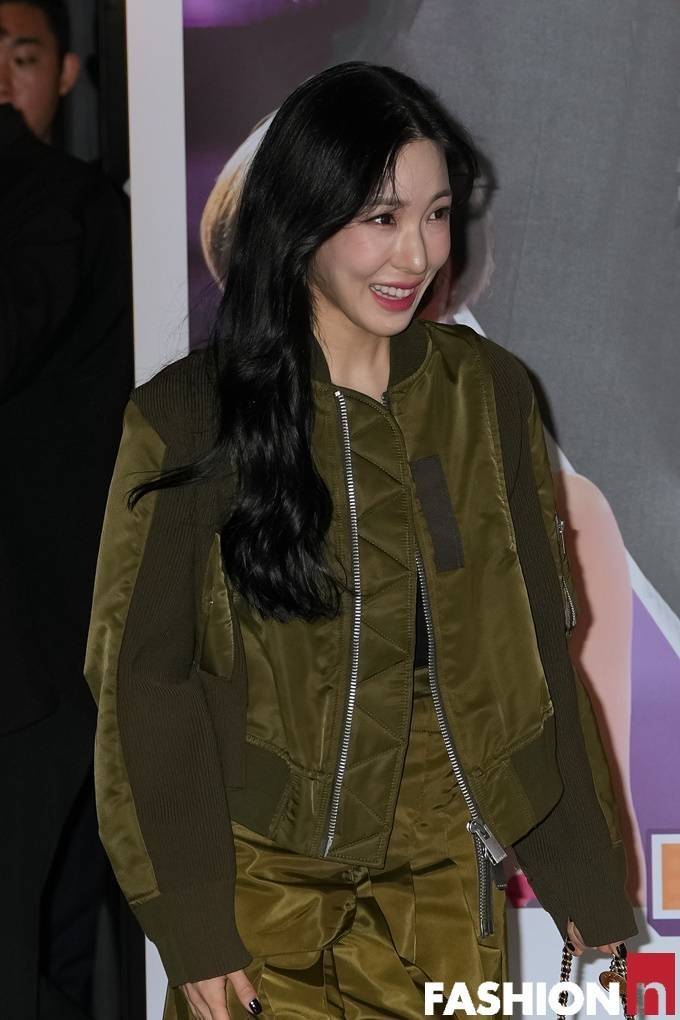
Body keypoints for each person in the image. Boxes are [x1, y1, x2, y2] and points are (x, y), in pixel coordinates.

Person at [85, 63, 637, 1019]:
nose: (416, 253)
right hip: (258, 887)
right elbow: (144, 681)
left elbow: (534, 650)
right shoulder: (190, 412)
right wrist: (193, 919)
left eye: (437, 214)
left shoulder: (486, 393)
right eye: (382, 217)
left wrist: (580, 871)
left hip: (441, 883)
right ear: (301, 218)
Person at [0, 1, 133, 1015]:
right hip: (46, 664)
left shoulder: (82, 212)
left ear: (70, 72)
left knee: (55, 932)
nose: (0, 83)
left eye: (21, 57)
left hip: (53, 656)